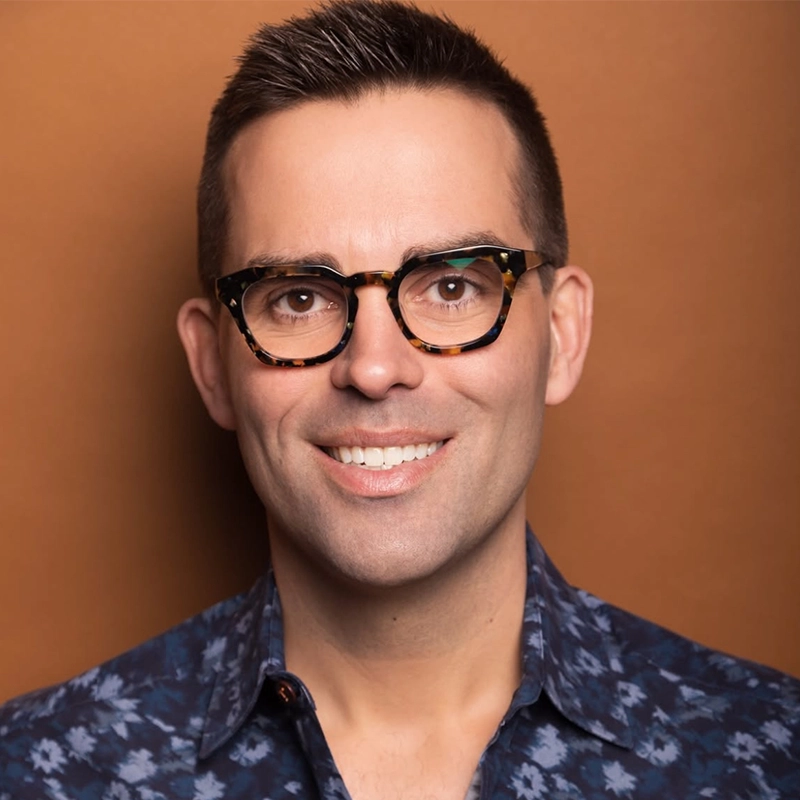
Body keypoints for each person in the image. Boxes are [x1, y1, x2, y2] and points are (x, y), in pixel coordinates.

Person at [1, 1, 797, 797]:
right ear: (212, 364)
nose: (375, 369)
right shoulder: (37, 771)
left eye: (452, 286)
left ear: (562, 333)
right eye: (299, 298)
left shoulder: (765, 757)